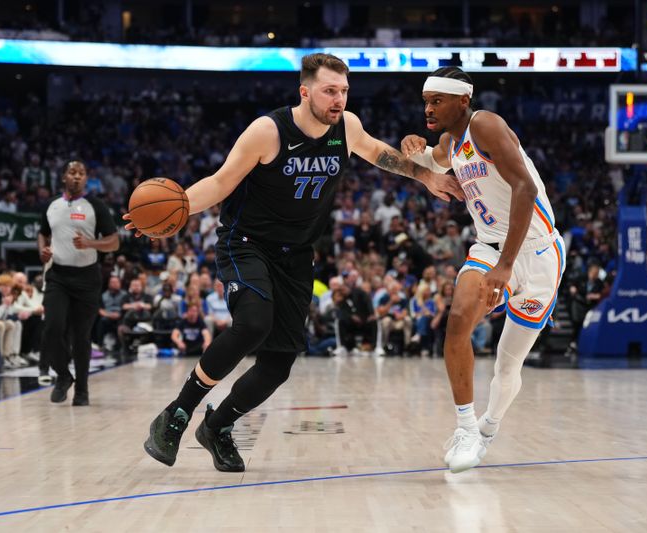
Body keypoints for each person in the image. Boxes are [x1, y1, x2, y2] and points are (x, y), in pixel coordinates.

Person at [125, 53, 462, 472]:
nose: (338, 99)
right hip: (246, 243)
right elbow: (220, 182)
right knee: (252, 324)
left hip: (297, 255)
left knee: (277, 365)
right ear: (305, 92)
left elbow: (379, 154)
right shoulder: (268, 131)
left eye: (343, 91)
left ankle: (218, 427)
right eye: (329, 91)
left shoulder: (347, 126)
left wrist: (426, 176)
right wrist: (169, 214)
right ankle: (177, 413)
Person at [401, 66, 566, 473]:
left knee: (508, 366)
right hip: (490, 249)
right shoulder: (449, 140)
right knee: (458, 321)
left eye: (437, 101)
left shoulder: (486, 125)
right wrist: (414, 150)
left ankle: (487, 428)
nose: (428, 108)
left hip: (539, 254)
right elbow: (435, 161)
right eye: (425, 101)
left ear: (463, 100)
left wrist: (507, 267)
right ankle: (465, 429)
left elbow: (524, 188)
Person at [38, 161, 119, 405]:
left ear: (86, 179)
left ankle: (82, 391)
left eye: (81, 173)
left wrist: (91, 244)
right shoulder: (52, 205)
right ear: (64, 177)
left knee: (81, 336)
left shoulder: (96, 206)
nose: (76, 177)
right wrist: (43, 250)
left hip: (87, 278)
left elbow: (114, 242)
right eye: (72, 173)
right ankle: (63, 376)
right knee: (52, 329)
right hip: (58, 276)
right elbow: (43, 232)